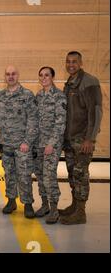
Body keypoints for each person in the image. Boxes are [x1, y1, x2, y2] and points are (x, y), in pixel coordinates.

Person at [0, 65, 38, 219]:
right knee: (9, 174)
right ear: (5, 76)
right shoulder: (0, 96)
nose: (10, 76)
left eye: (13, 74)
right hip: (6, 144)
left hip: (22, 145)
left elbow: (33, 121)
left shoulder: (27, 95)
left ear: (18, 75)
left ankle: (28, 204)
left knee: (24, 175)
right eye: (7, 74)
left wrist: (27, 142)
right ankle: (11, 201)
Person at [60, 51, 102, 225]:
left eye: (74, 62)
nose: (71, 65)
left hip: (82, 139)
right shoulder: (70, 83)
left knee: (81, 175)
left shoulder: (89, 82)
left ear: (81, 63)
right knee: (73, 174)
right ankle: (75, 205)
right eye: (68, 62)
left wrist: (90, 139)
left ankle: (81, 212)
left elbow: (96, 111)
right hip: (70, 139)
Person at [33, 66, 66, 224]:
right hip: (39, 143)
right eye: (41, 75)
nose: (44, 77)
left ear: (52, 77)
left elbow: (60, 123)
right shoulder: (39, 96)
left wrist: (51, 144)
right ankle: (45, 204)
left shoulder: (59, 97)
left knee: (49, 176)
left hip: (51, 144)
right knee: (40, 175)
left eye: (47, 75)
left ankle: (54, 209)